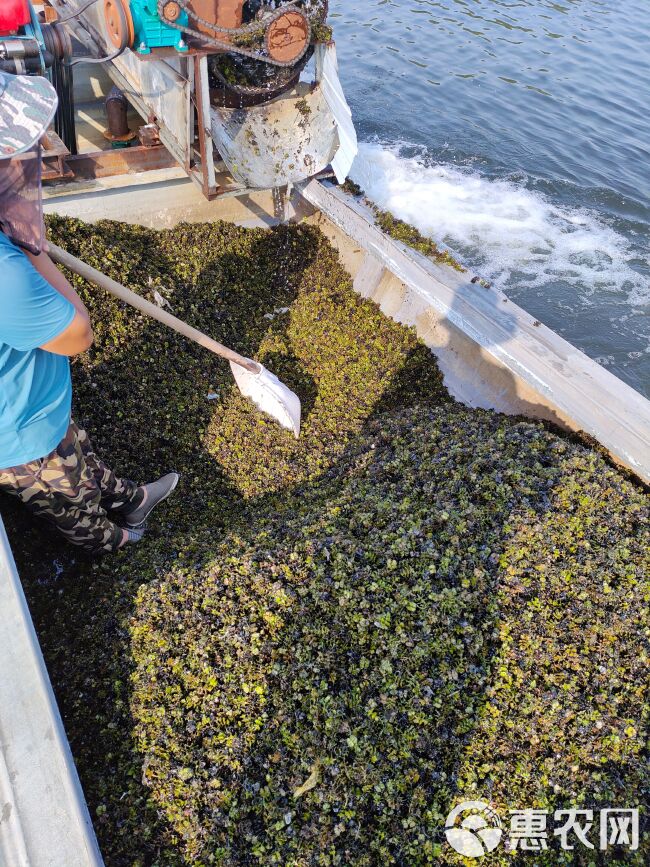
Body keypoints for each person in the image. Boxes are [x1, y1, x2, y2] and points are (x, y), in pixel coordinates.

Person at [0, 71, 178, 554]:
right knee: (71, 505)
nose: (22, 163)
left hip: (40, 404)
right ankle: (116, 542)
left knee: (81, 457)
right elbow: (79, 335)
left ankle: (131, 499)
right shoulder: (6, 271)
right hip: (22, 436)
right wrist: (34, 249)